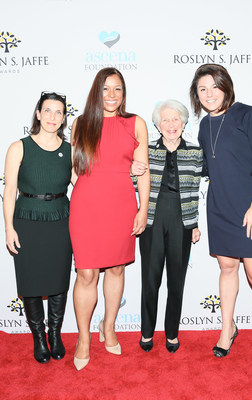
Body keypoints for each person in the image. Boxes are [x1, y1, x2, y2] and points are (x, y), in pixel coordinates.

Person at [190, 64, 252, 368]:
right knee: (227, 268)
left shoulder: (248, 115)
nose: (209, 94)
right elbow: (203, 167)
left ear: (226, 86)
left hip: (250, 207)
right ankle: (227, 329)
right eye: (202, 89)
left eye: (214, 86)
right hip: (219, 206)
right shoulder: (203, 126)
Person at [69, 67, 150, 370]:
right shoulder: (81, 124)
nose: (112, 95)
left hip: (122, 205)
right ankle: (83, 338)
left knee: (117, 268)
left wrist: (143, 208)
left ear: (124, 92)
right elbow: (76, 172)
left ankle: (110, 326)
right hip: (87, 205)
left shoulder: (135, 123)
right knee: (87, 274)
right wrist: (96, 189)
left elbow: (143, 170)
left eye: (117, 89)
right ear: (96, 91)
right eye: (105, 89)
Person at [3, 92, 74, 364]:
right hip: (27, 219)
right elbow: (9, 192)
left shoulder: (69, 150)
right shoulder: (19, 147)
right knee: (31, 282)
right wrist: (9, 228)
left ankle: (55, 335)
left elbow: (83, 186)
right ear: (38, 113)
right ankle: (38, 337)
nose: (53, 117)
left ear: (64, 117)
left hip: (60, 219)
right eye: (48, 111)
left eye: (59, 112)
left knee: (58, 281)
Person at [138, 99, 203, 353]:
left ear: (185, 123)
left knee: (176, 280)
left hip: (181, 220)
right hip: (152, 218)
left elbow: (194, 190)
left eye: (176, 119)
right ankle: (146, 332)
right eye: (165, 119)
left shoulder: (196, 152)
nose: (171, 124)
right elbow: (136, 183)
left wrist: (194, 223)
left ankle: (172, 333)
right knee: (150, 279)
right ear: (157, 124)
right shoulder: (145, 150)